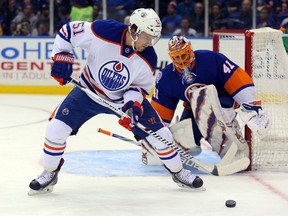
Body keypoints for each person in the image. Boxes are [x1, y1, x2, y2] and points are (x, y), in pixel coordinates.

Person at [28, 8, 204, 195]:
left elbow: (138, 88)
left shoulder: (148, 57)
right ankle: (49, 173)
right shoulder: (103, 30)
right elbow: (67, 32)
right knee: (55, 129)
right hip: (88, 91)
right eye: (147, 36)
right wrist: (61, 57)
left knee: (163, 136)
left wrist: (132, 108)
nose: (150, 42)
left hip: (121, 101)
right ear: (134, 30)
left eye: (153, 37)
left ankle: (178, 172)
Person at [146, 35, 271, 165]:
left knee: (208, 103)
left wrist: (251, 106)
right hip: (194, 110)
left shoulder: (211, 59)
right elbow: (160, 112)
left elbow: (236, 78)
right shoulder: (166, 78)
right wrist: (153, 134)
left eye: (183, 55)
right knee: (165, 151)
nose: (181, 61)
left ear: (190, 50)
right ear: (171, 57)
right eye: (177, 57)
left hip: (223, 102)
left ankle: (233, 149)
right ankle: (191, 146)